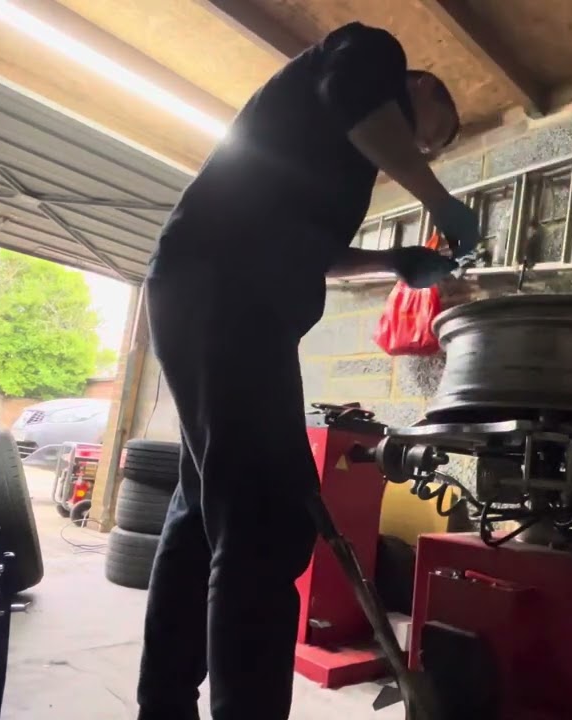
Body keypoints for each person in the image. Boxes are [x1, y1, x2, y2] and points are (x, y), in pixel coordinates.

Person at [137, 21, 480, 720]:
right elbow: (354, 94)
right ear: (419, 87)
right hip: (226, 289)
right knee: (264, 520)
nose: (420, 149)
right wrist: (436, 195)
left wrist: (395, 262)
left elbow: (316, 251)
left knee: (205, 512)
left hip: (217, 293)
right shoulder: (372, 55)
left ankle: (163, 705)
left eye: (430, 151)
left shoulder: (330, 162)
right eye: (430, 134)